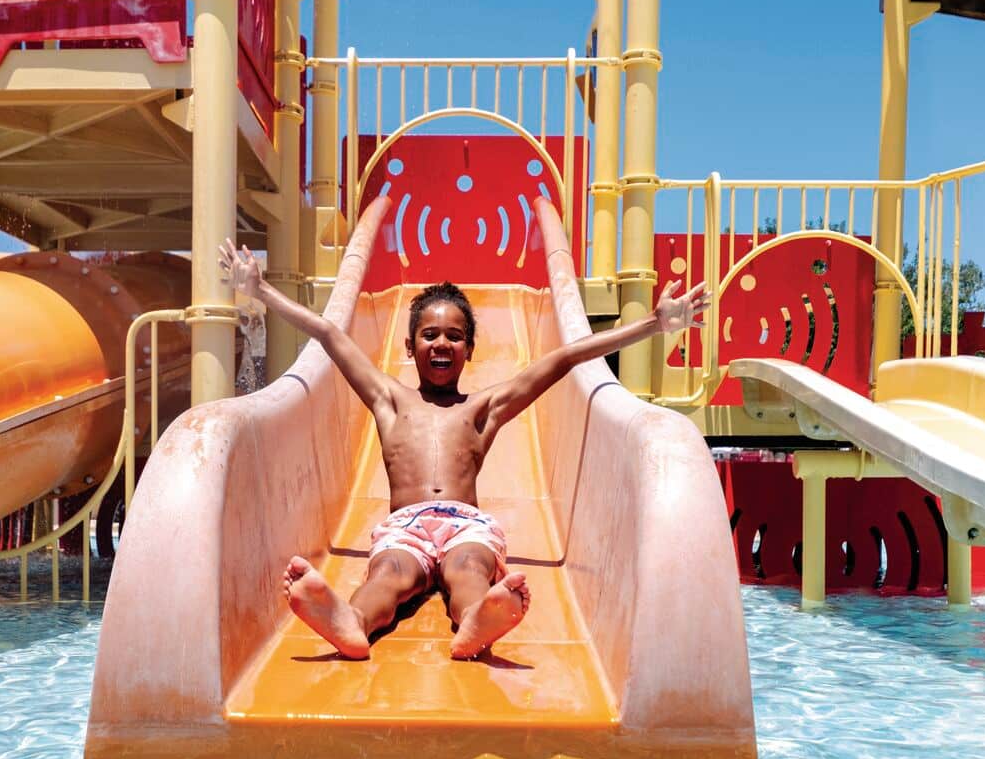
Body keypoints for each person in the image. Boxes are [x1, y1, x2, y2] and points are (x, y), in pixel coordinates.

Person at [219, 240, 707, 660]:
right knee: (390, 572)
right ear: (409, 347)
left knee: (468, 567)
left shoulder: (483, 408)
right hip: (405, 525)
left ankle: (477, 619)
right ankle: (352, 622)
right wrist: (259, 291)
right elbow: (329, 334)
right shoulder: (389, 399)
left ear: (470, 349)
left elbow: (565, 358)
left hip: (464, 523)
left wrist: (654, 325)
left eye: (455, 336)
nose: (442, 344)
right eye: (430, 335)